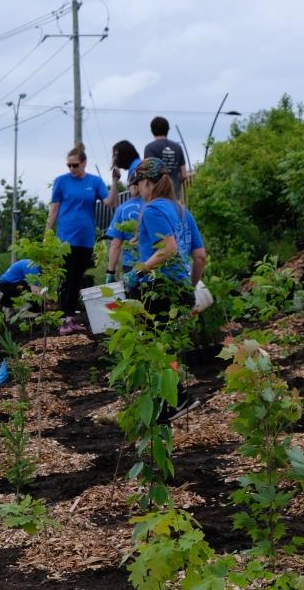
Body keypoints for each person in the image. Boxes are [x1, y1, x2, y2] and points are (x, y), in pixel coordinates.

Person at [123, 158, 200, 421]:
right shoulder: (181, 211)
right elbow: (200, 256)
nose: (138, 191)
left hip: (157, 288)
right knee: (166, 346)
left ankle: (175, 399)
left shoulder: (153, 209)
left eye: (138, 185)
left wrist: (139, 270)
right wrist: (189, 288)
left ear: (146, 182)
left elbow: (169, 248)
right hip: (179, 287)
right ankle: (172, 400)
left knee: (152, 346)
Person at [46, 143, 116, 335]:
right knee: (67, 279)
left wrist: (114, 181)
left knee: (77, 279)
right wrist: (47, 234)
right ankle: (63, 320)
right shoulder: (61, 182)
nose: (71, 168)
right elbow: (54, 209)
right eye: (69, 165)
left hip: (85, 238)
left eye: (75, 165)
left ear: (84, 163)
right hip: (65, 239)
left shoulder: (94, 181)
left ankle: (69, 318)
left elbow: (110, 202)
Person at [143, 116, 188, 202]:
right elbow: (184, 175)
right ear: (168, 130)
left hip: (157, 196)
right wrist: (175, 182)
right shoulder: (177, 147)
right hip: (175, 195)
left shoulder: (149, 148)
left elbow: (148, 174)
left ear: (152, 131)